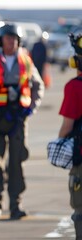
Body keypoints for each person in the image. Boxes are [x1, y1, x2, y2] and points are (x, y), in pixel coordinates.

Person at [0, 23, 45, 220]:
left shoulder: (26, 61)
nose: (10, 42)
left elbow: (38, 86)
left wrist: (30, 108)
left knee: (16, 164)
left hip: (18, 121)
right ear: (0, 40)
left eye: (14, 38)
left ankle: (15, 204)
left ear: (18, 41)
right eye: (7, 38)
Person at [57, 33, 82, 239]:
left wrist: (58, 146)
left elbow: (67, 126)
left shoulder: (75, 87)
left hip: (81, 158)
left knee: (80, 212)